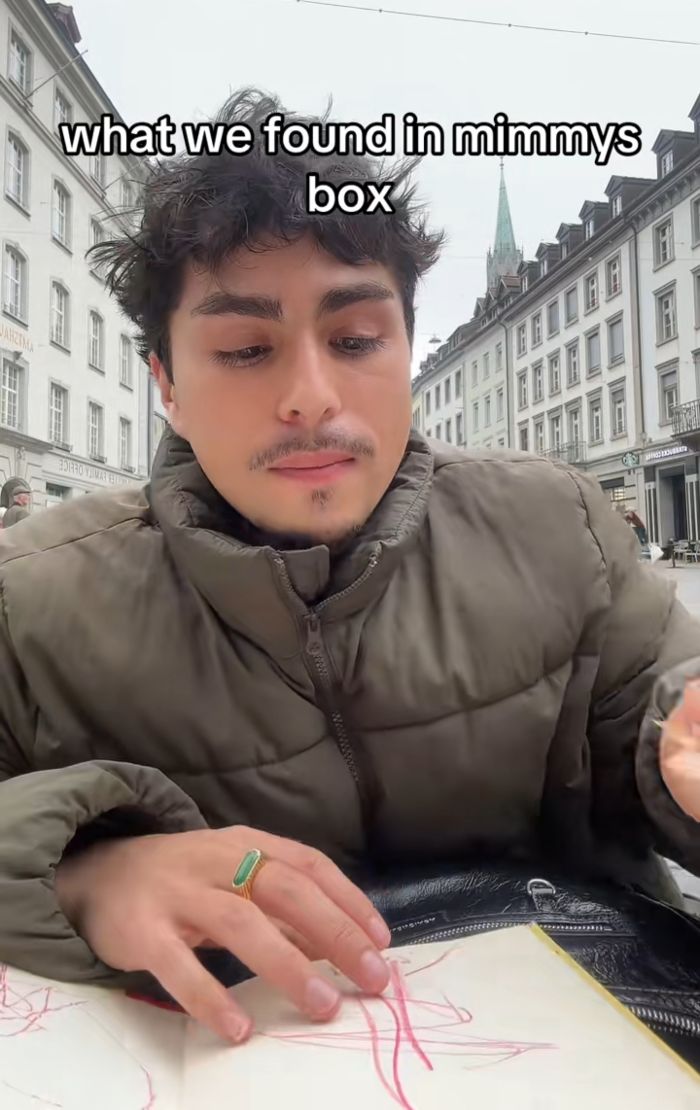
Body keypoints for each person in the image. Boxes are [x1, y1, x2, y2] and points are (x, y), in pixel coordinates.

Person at [1, 88, 700, 1050]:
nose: (311, 396)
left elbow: (659, 720)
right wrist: (84, 875)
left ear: (405, 347)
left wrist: (679, 763)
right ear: (166, 384)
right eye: (246, 348)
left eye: (357, 340)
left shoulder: (559, 525)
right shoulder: (31, 601)